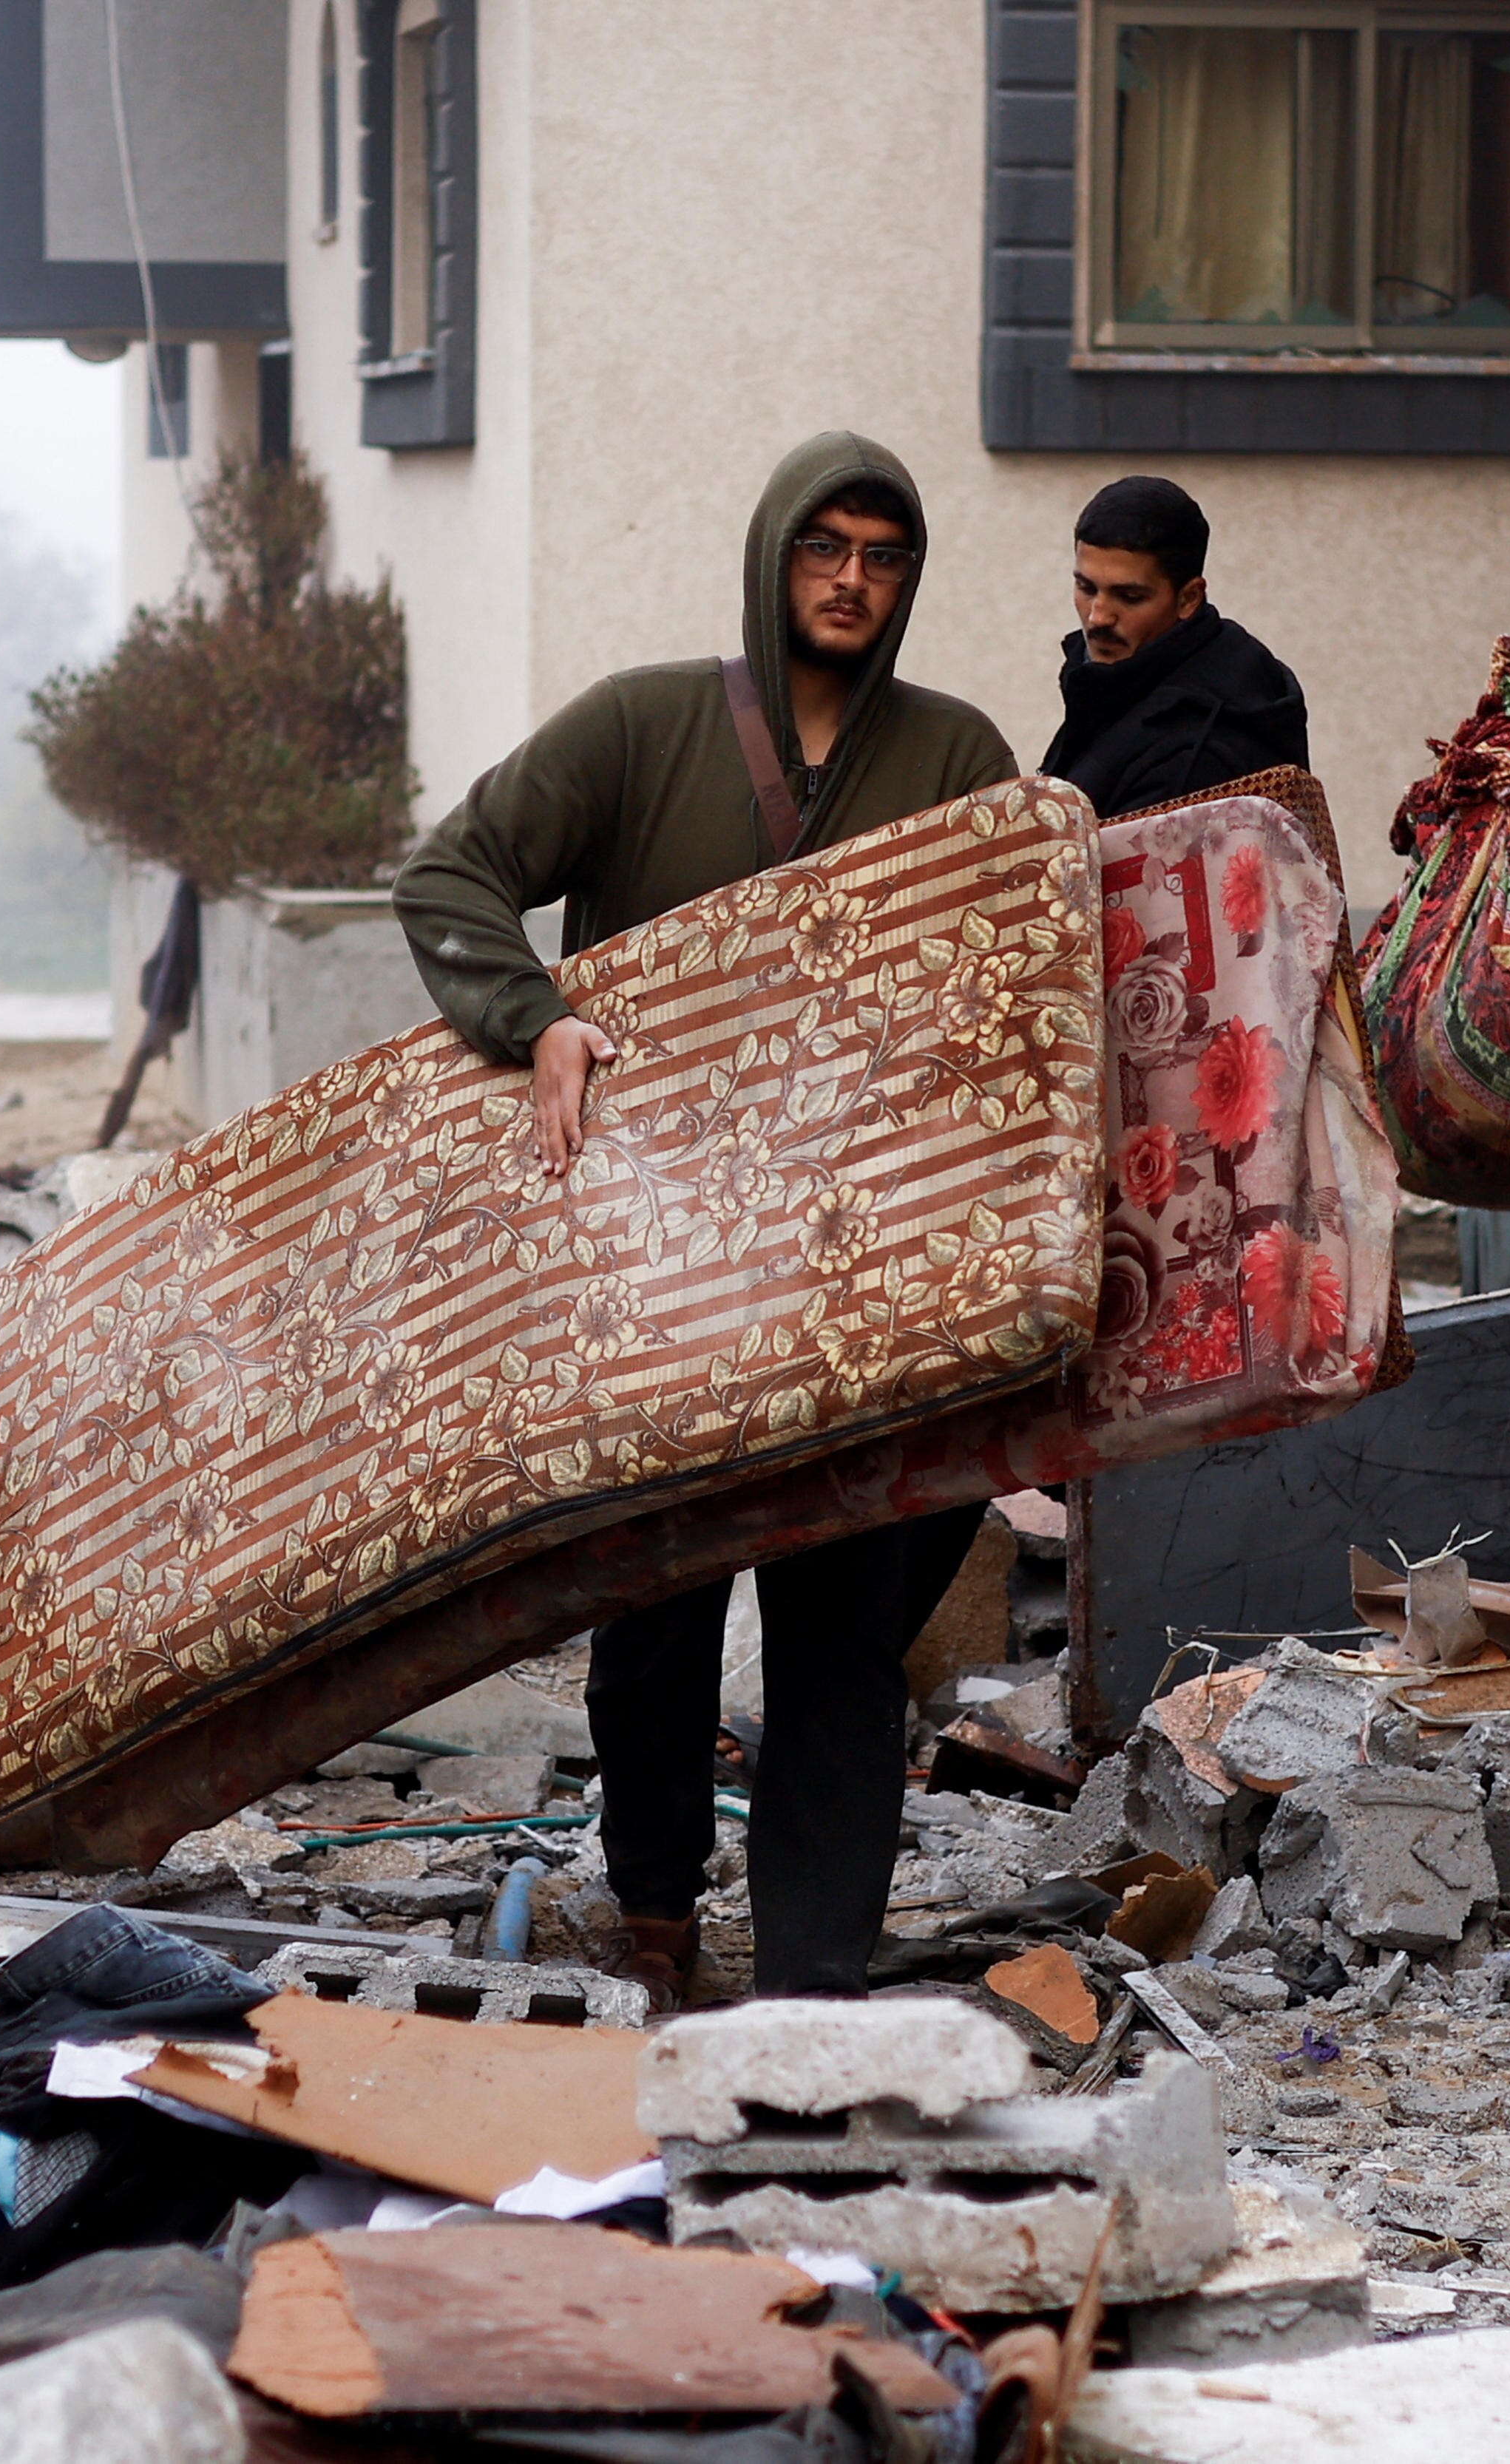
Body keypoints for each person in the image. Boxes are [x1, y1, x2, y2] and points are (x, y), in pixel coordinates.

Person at [392, 432, 1018, 2006]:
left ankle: (815, 1961)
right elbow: (451, 872)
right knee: (656, 1610)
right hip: (650, 1266)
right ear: (772, 557)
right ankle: (654, 1912)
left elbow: (1006, 984)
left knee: (840, 1625)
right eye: (826, 549)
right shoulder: (642, 725)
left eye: (882, 556)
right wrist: (532, 1015)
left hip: (859, 1270)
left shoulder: (956, 760)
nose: (851, 581)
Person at [1039, 475, 1310, 818]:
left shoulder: (1206, 747)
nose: (1098, 616)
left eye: (1130, 597)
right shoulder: (1116, 682)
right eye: (1087, 588)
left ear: (1189, 598)